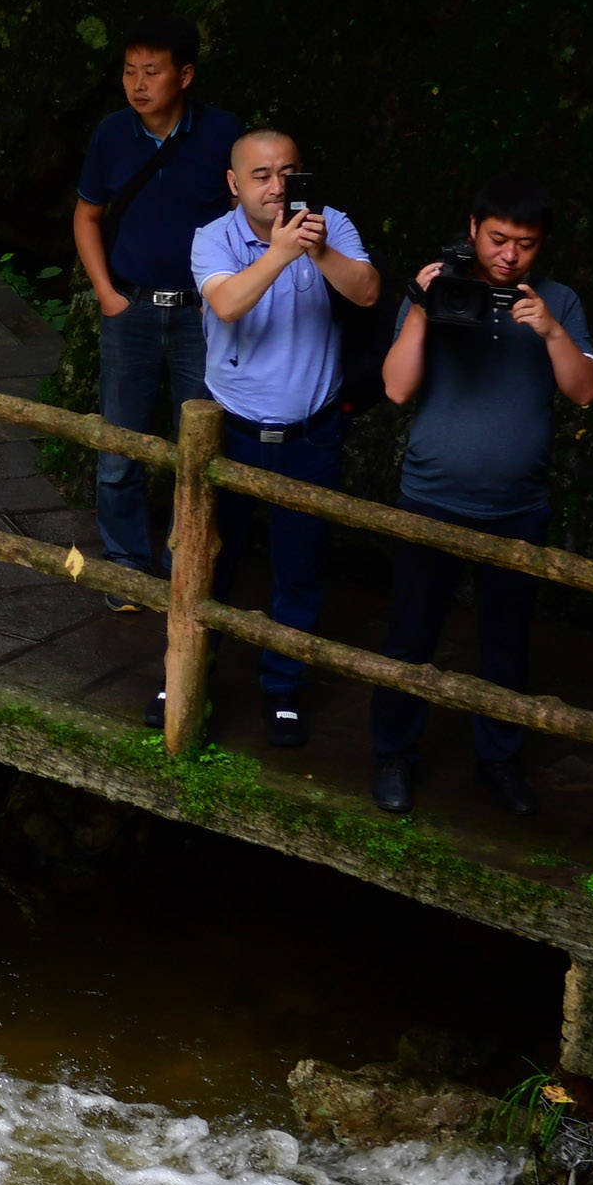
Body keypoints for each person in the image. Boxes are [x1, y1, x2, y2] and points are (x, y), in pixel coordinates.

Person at [369, 176, 593, 817]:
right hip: (432, 494)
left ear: (541, 246)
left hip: (517, 505)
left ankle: (497, 761)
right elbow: (394, 388)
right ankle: (393, 753)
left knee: (506, 641)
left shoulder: (560, 301)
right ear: (473, 228)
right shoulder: (439, 292)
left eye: (525, 245)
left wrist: (552, 332)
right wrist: (421, 303)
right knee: (410, 633)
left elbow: (584, 392)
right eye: (498, 239)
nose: (509, 255)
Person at [190, 129, 382, 747]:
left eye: (289, 174)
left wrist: (318, 249)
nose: (277, 188)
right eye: (262, 176)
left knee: (299, 568)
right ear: (234, 183)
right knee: (209, 557)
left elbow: (369, 292)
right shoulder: (212, 238)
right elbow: (227, 305)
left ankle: (283, 687)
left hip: (310, 432)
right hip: (232, 429)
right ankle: (187, 670)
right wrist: (279, 251)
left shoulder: (332, 225)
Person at [72, 17, 244, 602]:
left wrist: (225, 298)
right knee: (120, 443)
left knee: (196, 448)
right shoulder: (112, 135)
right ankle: (123, 565)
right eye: (129, 71)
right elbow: (87, 213)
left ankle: (185, 571)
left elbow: (247, 220)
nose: (138, 84)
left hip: (203, 315)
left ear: (185, 74)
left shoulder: (222, 134)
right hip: (133, 308)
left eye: (152, 71)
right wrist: (106, 293)